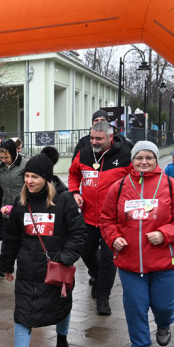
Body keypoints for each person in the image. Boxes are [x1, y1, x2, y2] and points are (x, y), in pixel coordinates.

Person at [100, 141, 174, 347]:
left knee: (163, 305)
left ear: (156, 160)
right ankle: (141, 346)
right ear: (132, 160)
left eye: (149, 158)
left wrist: (164, 234)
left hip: (165, 261)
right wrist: (114, 238)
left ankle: (164, 324)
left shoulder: (172, 186)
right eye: (139, 158)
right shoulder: (119, 187)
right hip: (131, 261)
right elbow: (106, 220)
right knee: (135, 305)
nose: (144, 162)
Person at [0, 155, 86, 347]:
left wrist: (65, 259)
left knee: (61, 307)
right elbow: (12, 238)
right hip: (27, 270)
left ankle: (62, 341)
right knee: (23, 314)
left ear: (46, 179)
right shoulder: (21, 202)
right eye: (26, 176)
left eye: (34, 176)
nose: (29, 180)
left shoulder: (65, 200)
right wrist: (6, 264)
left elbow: (79, 234)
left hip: (56, 269)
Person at [66, 120, 132, 316]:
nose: (93, 141)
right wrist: (74, 193)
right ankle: (98, 277)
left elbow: (135, 181)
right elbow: (73, 175)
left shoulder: (125, 155)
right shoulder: (84, 153)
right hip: (87, 216)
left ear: (110, 138)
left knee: (108, 259)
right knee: (86, 252)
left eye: (98, 139)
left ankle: (103, 297)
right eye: (92, 137)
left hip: (112, 219)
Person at [0, 138, 26, 250]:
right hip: (6, 209)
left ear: (13, 154)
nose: (3, 160)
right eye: (1, 157)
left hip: (22, 207)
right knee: (8, 240)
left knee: (22, 239)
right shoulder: (0, 166)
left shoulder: (24, 165)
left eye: (6, 157)